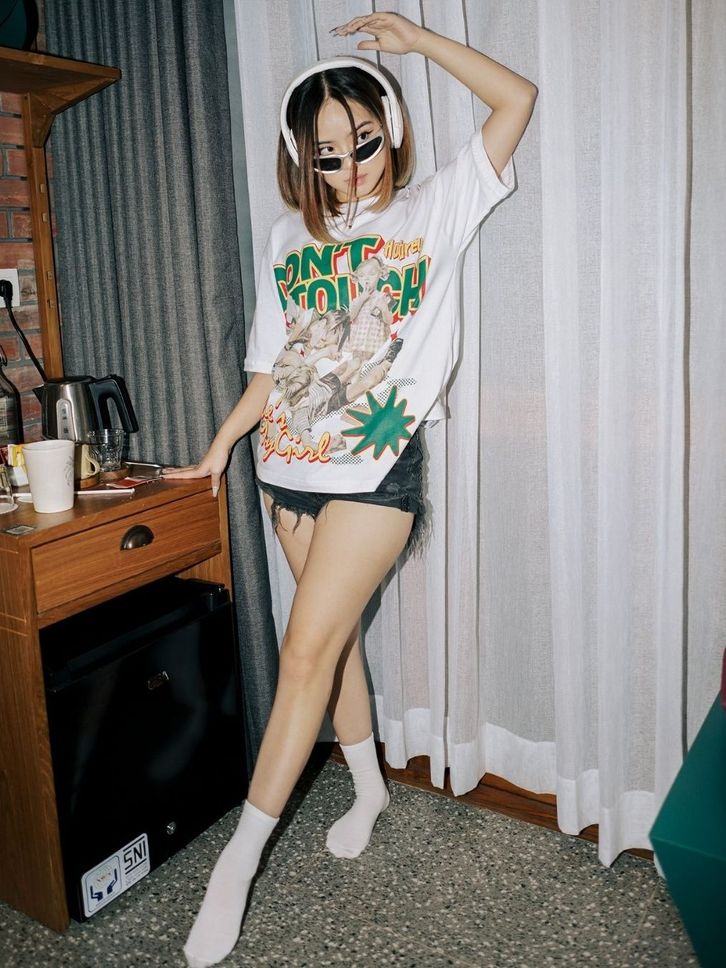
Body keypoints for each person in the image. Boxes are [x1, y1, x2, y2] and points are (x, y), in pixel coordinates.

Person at [164, 11, 537, 967]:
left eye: (363, 142)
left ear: (392, 130)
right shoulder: (287, 236)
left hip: (377, 470)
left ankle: (235, 867)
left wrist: (419, 43)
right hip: (286, 467)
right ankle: (369, 787)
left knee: (302, 652)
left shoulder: (438, 206)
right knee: (330, 651)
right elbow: (270, 364)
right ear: (303, 158)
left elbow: (517, 100)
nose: (350, 167)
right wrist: (220, 450)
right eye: (327, 154)